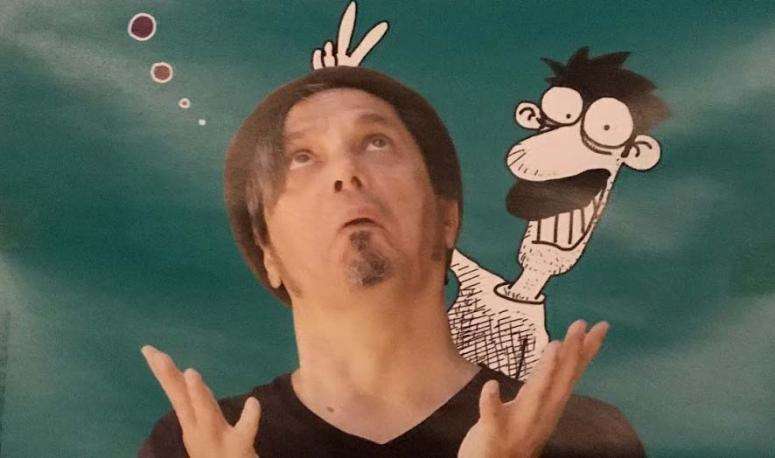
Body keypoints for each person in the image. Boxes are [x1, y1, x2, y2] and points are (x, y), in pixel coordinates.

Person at [138, 66, 645, 457]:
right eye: (302, 157)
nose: (346, 172)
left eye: (376, 142)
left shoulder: (581, 439)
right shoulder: (195, 446)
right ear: (266, 252)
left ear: (446, 219)